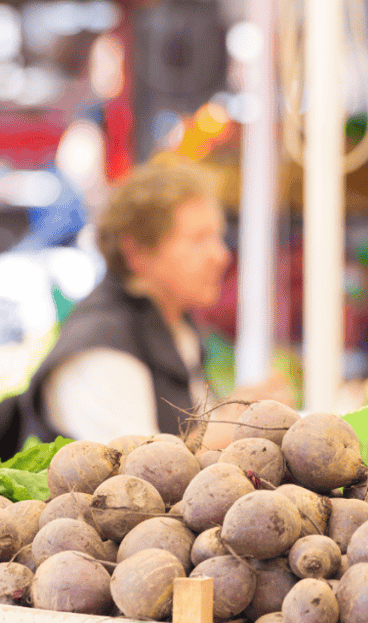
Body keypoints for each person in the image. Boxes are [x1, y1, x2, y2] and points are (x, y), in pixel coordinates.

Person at [19, 160, 292, 449]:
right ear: (136, 252)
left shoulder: (173, 323)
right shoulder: (100, 351)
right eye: (198, 239)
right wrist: (236, 429)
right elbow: (136, 465)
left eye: (218, 237)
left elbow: (185, 431)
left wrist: (236, 408)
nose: (221, 255)